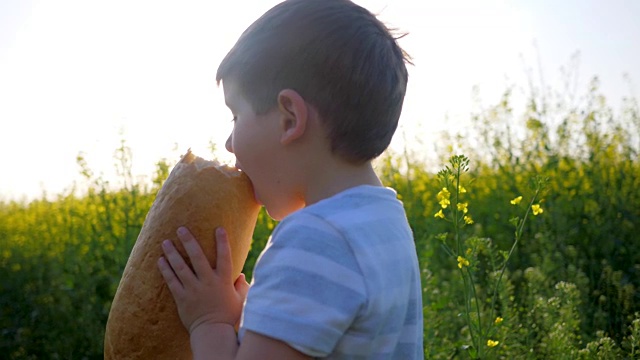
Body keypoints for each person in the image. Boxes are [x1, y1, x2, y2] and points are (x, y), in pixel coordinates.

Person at [157, 0, 423, 358]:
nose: (229, 143)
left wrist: (210, 321)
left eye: (236, 116)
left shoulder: (313, 239)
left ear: (289, 118)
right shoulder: (386, 221)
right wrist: (258, 318)